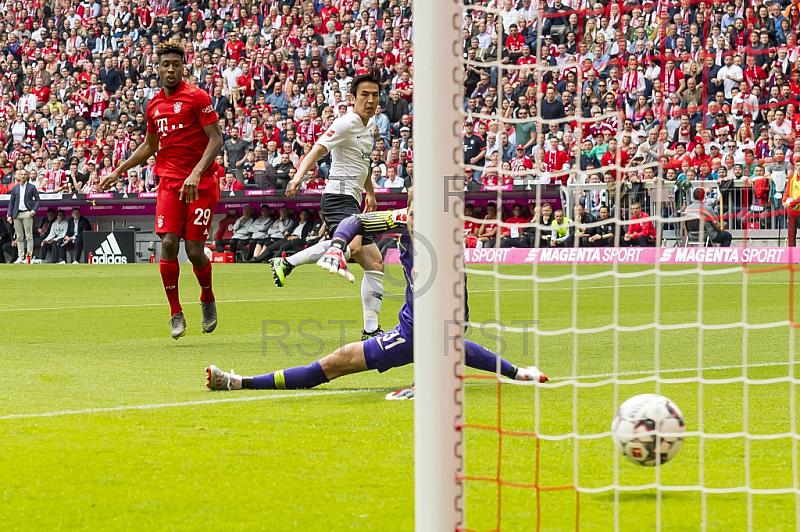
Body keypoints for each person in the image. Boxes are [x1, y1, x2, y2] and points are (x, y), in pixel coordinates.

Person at [206, 189, 548, 392]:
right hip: (410, 333)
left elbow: (457, 332)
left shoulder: (445, 254)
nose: (414, 218)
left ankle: (516, 372)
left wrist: (427, 382)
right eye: (412, 210)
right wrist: (338, 246)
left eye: (422, 212)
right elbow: (355, 220)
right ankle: (239, 383)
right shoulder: (404, 220)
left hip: (426, 337)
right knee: (330, 365)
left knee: (339, 361)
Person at [99, 42, 223, 340]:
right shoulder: (154, 105)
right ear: (157, 68)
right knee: (168, 243)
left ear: (184, 67)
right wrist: (119, 169)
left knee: (194, 251)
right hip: (169, 183)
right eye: (165, 64)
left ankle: (207, 297)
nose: (170, 69)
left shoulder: (197, 98)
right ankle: (175, 312)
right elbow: (151, 146)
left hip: (201, 184)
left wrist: (195, 172)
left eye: (175, 64)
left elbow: (216, 139)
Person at [279, 67, 385, 340]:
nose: (370, 100)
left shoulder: (369, 127)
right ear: (354, 97)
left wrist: (370, 193)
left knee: (375, 262)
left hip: (353, 198)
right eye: (365, 95)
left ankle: (370, 331)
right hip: (337, 196)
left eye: (374, 95)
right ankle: (289, 262)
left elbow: (364, 164)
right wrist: (298, 177)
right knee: (355, 245)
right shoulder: (345, 123)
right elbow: (317, 149)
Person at [6, 170, 41, 263]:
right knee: (19, 237)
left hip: (27, 213)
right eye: (21, 174)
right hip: (16, 214)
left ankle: (28, 257)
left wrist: (33, 210)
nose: (23, 176)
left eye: (25, 174)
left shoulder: (31, 187)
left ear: (27, 176)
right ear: (18, 176)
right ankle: (20, 257)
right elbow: (11, 202)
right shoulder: (15, 188)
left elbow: (38, 200)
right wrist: (9, 214)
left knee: (29, 236)